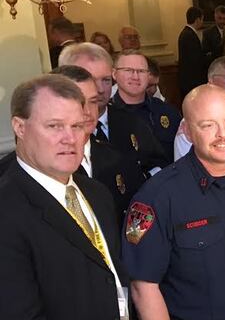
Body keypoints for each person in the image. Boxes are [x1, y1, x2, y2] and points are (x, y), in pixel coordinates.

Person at [121, 84, 225, 319]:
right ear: (187, 131)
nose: (223, 134)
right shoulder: (157, 196)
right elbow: (143, 287)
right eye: (208, 125)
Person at [0, 75, 129, 319]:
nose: (69, 138)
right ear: (20, 127)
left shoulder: (97, 193)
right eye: (54, 126)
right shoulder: (6, 210)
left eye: (77, 126)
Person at [52, 65, 147, 224]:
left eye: (93, 101)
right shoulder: (37, 165)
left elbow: (144, 212)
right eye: (79, 103)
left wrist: (132, 245)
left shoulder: (117, 158)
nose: (88, 112)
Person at [59, 42, 169, 173]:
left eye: (106, 80)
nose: (100, 89)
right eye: (90, 80)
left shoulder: (131, 122)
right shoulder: (58, 136)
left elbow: (157, 164)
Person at [112, 50, 182, 163]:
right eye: (128, 70)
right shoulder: (105, 116)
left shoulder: (168, 112)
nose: (135, 76)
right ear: (114, 74)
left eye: (141, 71)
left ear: (148, 75)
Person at [178, 6, 210, 97]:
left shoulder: (186, 33)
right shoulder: (189, 35)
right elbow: (195, 60)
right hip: (192, 81)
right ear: (197, 19)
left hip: (188, 80)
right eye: (202, 19)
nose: (202, 22)